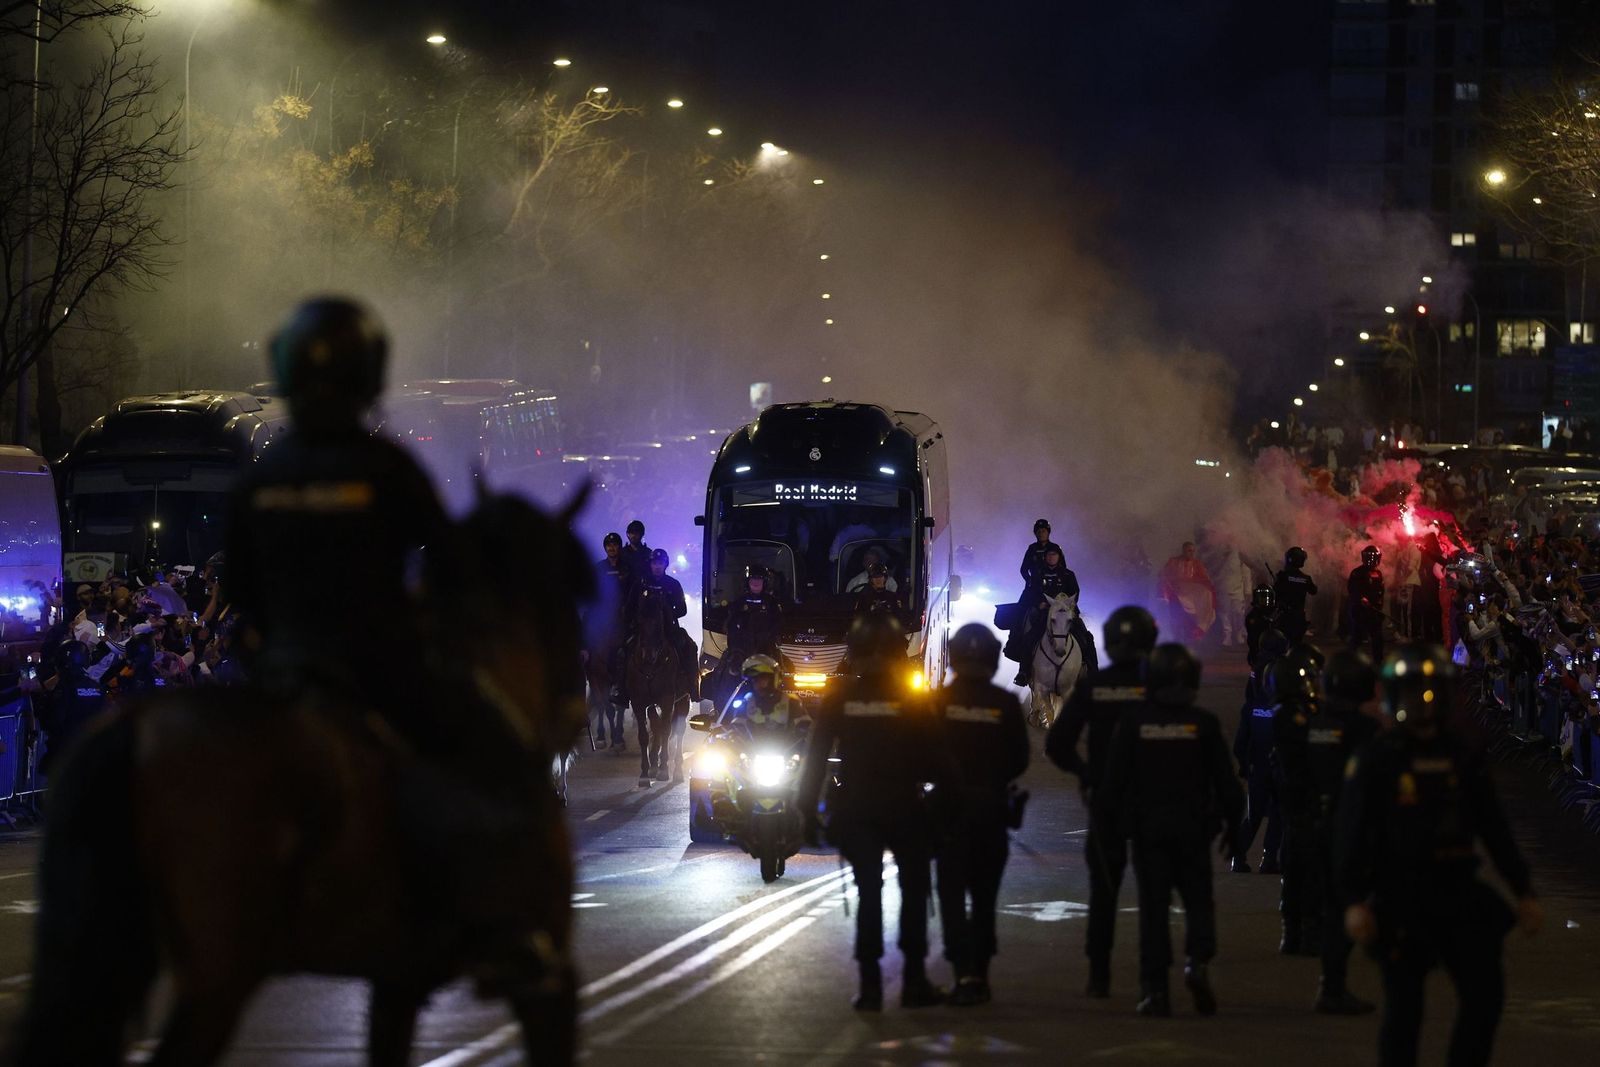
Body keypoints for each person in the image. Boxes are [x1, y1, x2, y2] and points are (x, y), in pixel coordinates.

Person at [226, 297, 448, 740]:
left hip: (280, 677)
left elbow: (239, 590)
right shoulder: (390, 468)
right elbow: (448, 563)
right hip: (379, 680)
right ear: (368, 374)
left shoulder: (257, 478)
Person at [1337, 644, 1542, 1067]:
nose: (1421, 703)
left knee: (1485, 998)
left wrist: (1522, 889)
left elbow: (1492, 826)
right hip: (1400, 896)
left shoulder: (1462, 755)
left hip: (1457, 889)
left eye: (1429, 692)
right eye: (1412, 692)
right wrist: (1354, 900)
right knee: (1405, 1009)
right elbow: (1352, 834)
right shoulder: (1377, 759)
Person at [797, 613, 956, 1011]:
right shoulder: (912, 698)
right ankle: (915, 980)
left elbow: (815, 760)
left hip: (855, 808)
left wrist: (807, 813)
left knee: (868, 894)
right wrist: (944, 808)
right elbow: (941, 761)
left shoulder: (839, 698)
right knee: (915, 891)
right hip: (903, 807)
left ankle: (869, 988)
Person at [1096, 643, 1245, 1017]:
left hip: (1148, 832)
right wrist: (1233, 831)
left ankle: (1155, 989)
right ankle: (1198, 961)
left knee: (1154, 908)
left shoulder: (1133, 723)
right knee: (1198, 902)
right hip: (1194, 829)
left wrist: (1111, 830)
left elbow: (1113, 783)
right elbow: (1228, 785)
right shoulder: (1204, 724)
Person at [1045, 605, 1159, 997]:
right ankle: (1153, 982)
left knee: (1104, 890)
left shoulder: (1095, 687)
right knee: (1154, 894)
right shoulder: (1160, 685)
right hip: (1152, 801)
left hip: (1107, 799)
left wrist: (1086, 773)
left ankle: (1099, 974)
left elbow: (1057, 743)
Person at [933, 624, 1029, 1006]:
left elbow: (921, 753)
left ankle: (962, 974)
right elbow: (1020, 758)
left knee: (953, 897)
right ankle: (981, 976)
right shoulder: (1004, 704)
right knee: (985, 899)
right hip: (991, 811)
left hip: (948, 813)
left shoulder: (938, 702)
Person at [1304, 648, 1381, 1015]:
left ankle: (1331, 983)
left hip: (1314, 825)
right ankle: (1332, 988)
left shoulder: (1314, 724)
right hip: (1354, 829)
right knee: (1347, 908)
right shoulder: (1365, 730)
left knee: (1334, 905)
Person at [1268, 643, 1325, 956]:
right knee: (1309, 870)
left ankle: (1295, 931)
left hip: (1294, 804)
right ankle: (1304, 932)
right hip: (1303, 803)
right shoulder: (1295, 718)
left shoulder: (1291, 714)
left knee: (1295, 869)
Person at [1233, 628, 1291, 875]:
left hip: (1258, 767)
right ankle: (1269, 858)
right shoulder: (1287, 711)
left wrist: (1245, 764)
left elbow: (1239, 743)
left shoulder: (1252, 707)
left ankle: (1239, 856)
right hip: (1278, 768)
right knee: (1277, 813)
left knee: (1254, 814)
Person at [1006, 545, 1089, 687]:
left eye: (1054, 554)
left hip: (1065, 613)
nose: (1052, 557)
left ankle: (1091, 671)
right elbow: (1031, 592)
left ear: (1059, 556)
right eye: (1049, 555)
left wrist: (1068, 606)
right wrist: (1039, 604)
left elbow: (1075, 593)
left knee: (1086, 637)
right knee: (1030, 637)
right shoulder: (1038, 573)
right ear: (1045, 557)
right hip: (1044, 613)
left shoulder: (1068, 574)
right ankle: (1024, 672)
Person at [719, 565, 784, 705]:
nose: (756, 582)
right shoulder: (738, 603)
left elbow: (778, 625)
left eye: (759, 579)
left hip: (765, 651)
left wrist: (769, 637)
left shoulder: (772, 604)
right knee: (723, 672)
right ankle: (720, 711)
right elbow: (730, 627)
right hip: (741, 652)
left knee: (783, 672)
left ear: (765, 582)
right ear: (747, 582)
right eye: (752, 579)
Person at [722, 654, 807, 742]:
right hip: (751, 750)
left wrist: (801, 733)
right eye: (755, 680)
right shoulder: (747, 701)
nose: (758, 683)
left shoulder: (791, 701)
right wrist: (730, 735)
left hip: (787, 750)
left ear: (773, 679)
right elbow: (737, 725)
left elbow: (805, 725)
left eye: (763, 679)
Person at [1158, 542, 1217, 641]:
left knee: (1206, 594)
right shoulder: (1173, 562)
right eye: (1189, 550)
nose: (1192, 553)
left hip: (1192, 596)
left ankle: (1197, 631)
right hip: (1175, 594)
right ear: (1184, 550)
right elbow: (1163, 575)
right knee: (1175, 619)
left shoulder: (1197, 563)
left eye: (1193, 551)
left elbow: (1204, 579)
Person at [1347, 544, 1386, 661]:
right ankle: (1350, 661)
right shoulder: (1357, 573)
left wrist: (1379, 606)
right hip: (1360, 611)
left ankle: (1378, 662)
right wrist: (1361, 599)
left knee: (1378, 638)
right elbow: (1352, 589)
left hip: (1374, 611)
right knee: (1357, 637)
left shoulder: (1378, 573)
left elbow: (1381, 592)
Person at [1272, 547, 1318, 644]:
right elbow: (1314, 591)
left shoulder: (1283, 576)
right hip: (1299, 617)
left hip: (1284, 617)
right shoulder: (1306, 578)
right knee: (1296, 646)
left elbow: (1275, 593)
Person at [1415, 532, 1446, 644]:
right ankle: (1437, 635)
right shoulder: (1436, 552)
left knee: (1429, 612)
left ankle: (1430, 637)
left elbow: (1422, 569)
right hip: (1435, 586)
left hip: (1430, 586)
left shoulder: (1430, 553)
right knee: (1435, 612)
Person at [1019, 519, 1063, 586]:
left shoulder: (1055, 548)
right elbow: (1023, 569)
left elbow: (1063, 568)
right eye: (1038, 532)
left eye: (1043, 531)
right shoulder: (1032, 548)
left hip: (1052, 586)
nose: (1041, 534)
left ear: (1048, 532)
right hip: (1035, 585)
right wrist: (1029, 580)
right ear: (1035, 534)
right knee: (1024, 597)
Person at [1244, 584, 1276, 664]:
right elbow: (1252, 635)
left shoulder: (1275, 613)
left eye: (1267, 598)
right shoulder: (1252, 615)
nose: (1265, 600)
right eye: (1262, 598)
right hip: (1258, 649)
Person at [619, 519, 652, 585]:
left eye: (636, 533)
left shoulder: (648, 553)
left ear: (642, 534)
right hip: (626, 590)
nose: (633, 535)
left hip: (644, 589)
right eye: (631, 532)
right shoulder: (621, 553)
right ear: (627, 534)